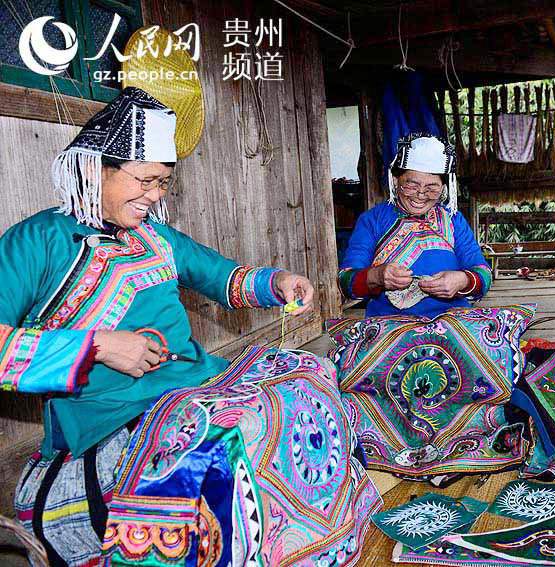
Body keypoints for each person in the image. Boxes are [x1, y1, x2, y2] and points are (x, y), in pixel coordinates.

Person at [4, 87, 314, 566]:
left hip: (195, 384)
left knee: (305, 386)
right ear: (97, 168)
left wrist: (280, 282)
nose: (154, 196)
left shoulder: (155, 237)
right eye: (144, 180)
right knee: (226, 448)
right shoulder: (36, 241)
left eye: (164, 183)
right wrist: (97, 347)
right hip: (111, 416)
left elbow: (220, 275)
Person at [338, 133, 492, 317]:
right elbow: (345, 282)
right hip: (390, 324)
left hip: (453, 320)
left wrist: (463, 280)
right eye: (411, 185)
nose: (420, 195)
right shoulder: (372, 221)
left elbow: (484, 274)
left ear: (444, 188)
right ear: (395, 181)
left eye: (432, 188)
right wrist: (377, 276)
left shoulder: (453, 220)